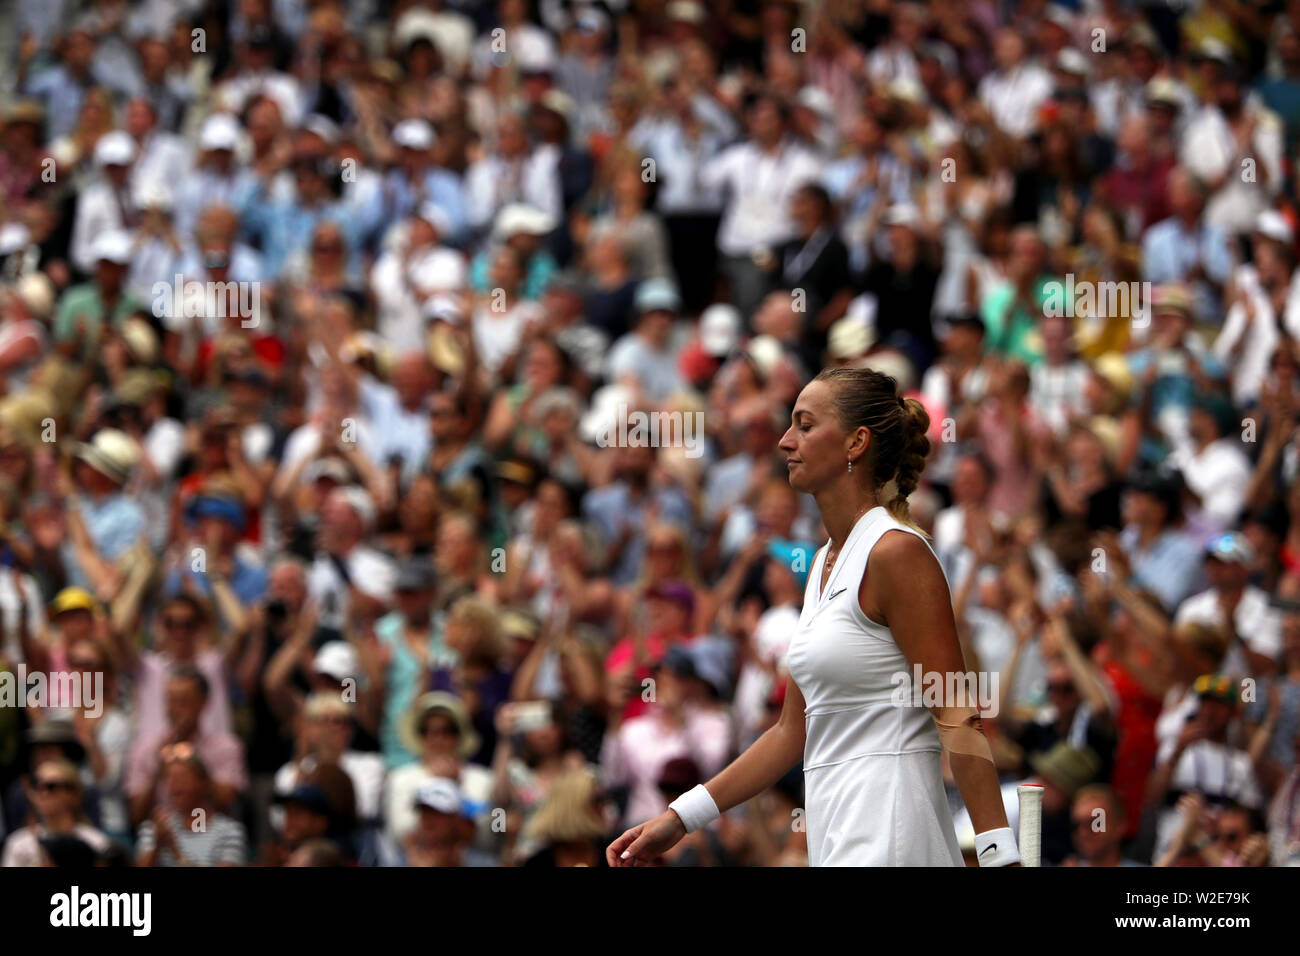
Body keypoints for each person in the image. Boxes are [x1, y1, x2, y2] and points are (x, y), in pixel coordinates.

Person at [607, 366, 1015, 866]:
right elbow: (788, 733)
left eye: (804, 424)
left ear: (855, 443)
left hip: (894, 835)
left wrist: (1000, 855)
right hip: (833, 834)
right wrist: (678, 818)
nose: (784, 441)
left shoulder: (896, 553)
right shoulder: (823, 562)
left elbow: (955, 712)